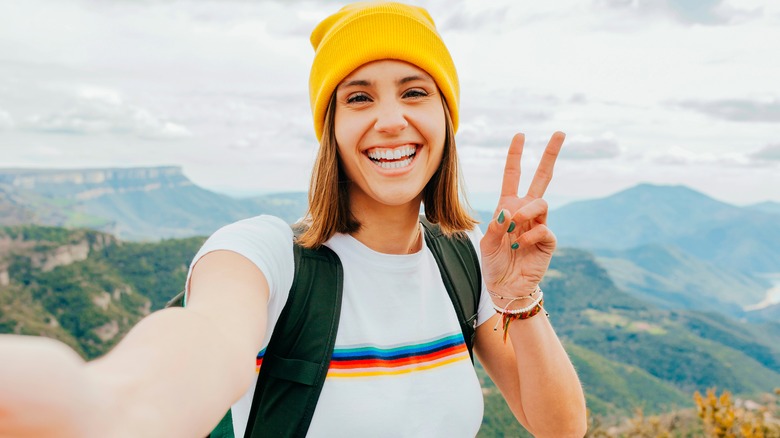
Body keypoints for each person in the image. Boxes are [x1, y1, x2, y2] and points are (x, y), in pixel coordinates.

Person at [0, 2, 586, 437]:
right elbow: (205, 343)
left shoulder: (462, 262)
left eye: (414, 92)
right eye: (358, 97)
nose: (389, 119)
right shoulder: (267, 257)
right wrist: (103, 404)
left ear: (445, 118)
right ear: (330, 129)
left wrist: (518, 298)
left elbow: (559, 427)